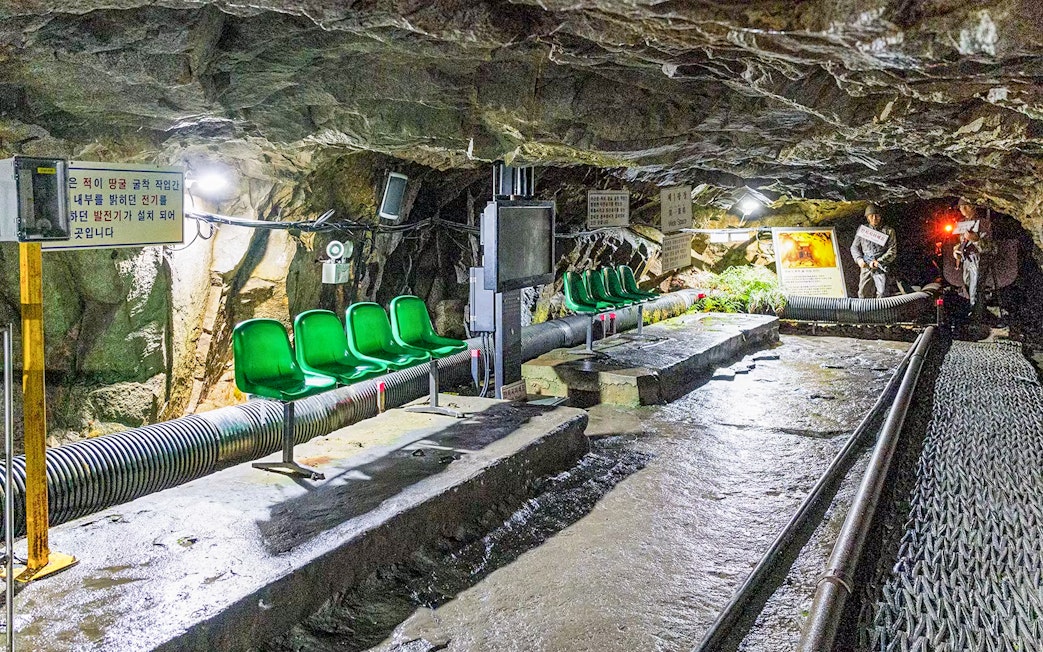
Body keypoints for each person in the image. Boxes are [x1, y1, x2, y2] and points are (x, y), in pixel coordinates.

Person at [952, 196, 993, 318]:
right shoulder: (963, 224)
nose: (961, 210)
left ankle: (977, 316)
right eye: (960, 207)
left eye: (963, 207)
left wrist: (975, 240)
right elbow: (960, 243)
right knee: (968, 286)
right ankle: (972, 312)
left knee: (976, 289)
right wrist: (956, 250)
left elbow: (989, 247)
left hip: (978, 259)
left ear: (970, 207)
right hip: (966, 259)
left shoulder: (984, 224)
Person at [850, 203, 897, 298]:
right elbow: (854, 247)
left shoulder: (888, 231)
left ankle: (882, 312)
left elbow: (892, 250)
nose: (874, 218)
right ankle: (864, 312)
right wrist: (859, 259)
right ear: (867, 217)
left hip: (880, 266)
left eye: (877, 216)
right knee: (863, 293)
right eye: (871, 216)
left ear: (880, 217)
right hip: (866, 266)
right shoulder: (863, 230)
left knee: (882, 293)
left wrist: (879, 261)